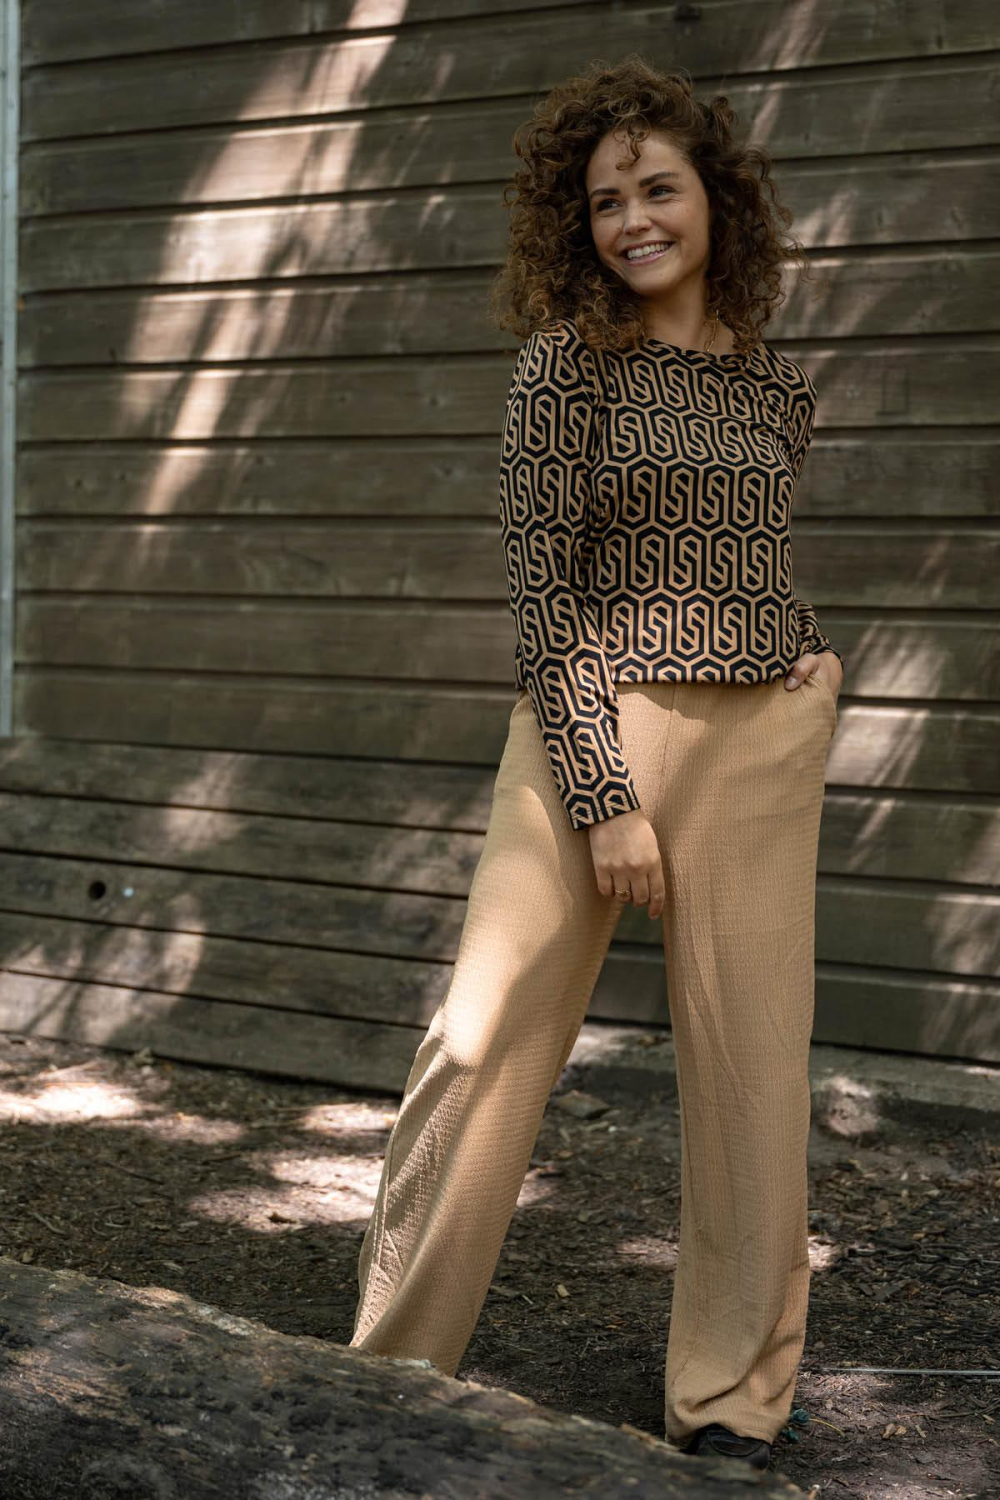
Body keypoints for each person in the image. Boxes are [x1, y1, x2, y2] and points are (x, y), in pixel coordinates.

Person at [349, 54, 843, 1475]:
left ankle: (732, 1401)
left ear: (715, 199)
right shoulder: (565, 366)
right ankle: (389, 1368)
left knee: (753, 1073)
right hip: (590, 718)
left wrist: (813, 664)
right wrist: (606, 792)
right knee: (480, 1040)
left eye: (658, 190)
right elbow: (540, 588)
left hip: (758, 739)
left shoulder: (774, 382)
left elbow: (746, 556)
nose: (635, 220)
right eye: (607, 202)